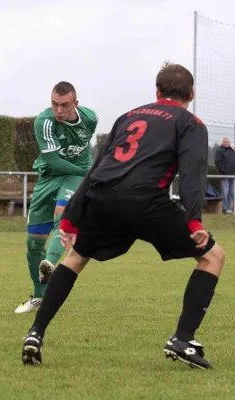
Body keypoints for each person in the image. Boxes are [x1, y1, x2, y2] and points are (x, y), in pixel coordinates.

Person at [21, 63, 225, 370]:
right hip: (146, 201)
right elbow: (192, 174)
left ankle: (35, 333)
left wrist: (70, 219)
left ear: (157, 92)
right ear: (191, 95)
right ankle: (183, 339)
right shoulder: (190, 122)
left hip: (102, 197)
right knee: (213, 257)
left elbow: (96, 167)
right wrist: (194, 220)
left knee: (75, 258)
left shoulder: (128, 116)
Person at [15, 82, 98, 314]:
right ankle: (39, 297)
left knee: (62, 215)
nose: (58, 110)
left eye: (64, 105)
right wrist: (91, 173)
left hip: (74, 178)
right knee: (33, 244)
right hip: (48, 177)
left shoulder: (90, 118)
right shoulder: (44, 121)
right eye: (54, 104)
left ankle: (50, 262)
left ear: (76, 104)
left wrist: (85, 174)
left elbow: (81, 149)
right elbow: (52, 161)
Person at [214, 137, 235, 213]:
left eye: (227, 141)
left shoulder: (232, 151)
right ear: (222, 142)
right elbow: (217, 162)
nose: (226, 142)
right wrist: (223, 170)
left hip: (232, 176)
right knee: (225, 192)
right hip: (225, 175)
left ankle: (229, 208)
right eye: (225, 141)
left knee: (231, 193)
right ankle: (225, 208)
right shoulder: (219, 150)